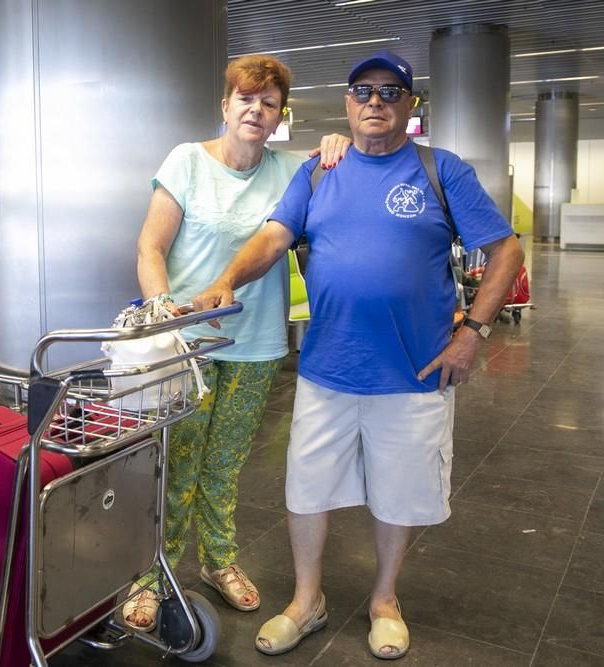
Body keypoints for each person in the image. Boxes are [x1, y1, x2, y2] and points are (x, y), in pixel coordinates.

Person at [192, 50, 524, 659]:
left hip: (412, 372)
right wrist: (228, 280)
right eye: (364, 91)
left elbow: (505, 252)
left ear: (410, 106)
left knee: (401, 494)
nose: (376, 101)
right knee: (307, 491)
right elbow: (273, 236)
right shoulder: (320, 169)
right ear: (348, 104)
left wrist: (472, 331)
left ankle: (384, 601)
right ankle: (306, 600)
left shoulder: (438, 168)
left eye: (391, 92)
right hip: (327, 370)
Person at [124, 54, 350, 632]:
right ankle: (154, 574)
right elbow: (151, 247)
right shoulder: (186, 162)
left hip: (256, 345)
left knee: (224, 467)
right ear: (226, 106)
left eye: (268, 103)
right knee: (178, 467)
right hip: (187, 347)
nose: (256, 109)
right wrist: (162, 308)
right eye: (246, 99)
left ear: (279, 116)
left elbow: (341, 170)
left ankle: (219, 561)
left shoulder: (292, 170)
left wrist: (335, 142)